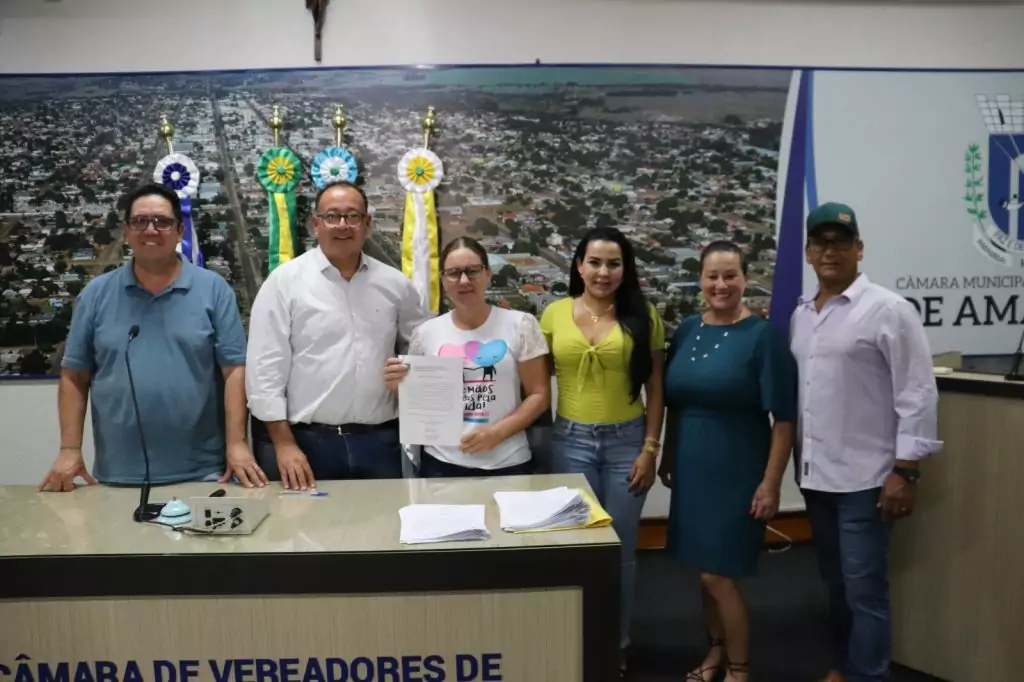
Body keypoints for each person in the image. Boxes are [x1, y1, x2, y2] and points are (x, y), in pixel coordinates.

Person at [791, 203, 941, 682]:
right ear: (809, 252)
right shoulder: (801, 314)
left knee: (864, 592)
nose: (829, 251)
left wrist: (906, 471)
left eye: (840, 241)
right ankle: (845, 666)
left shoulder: (888, 309)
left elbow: (917, 392)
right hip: (817, 477)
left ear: (859, 249)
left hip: (868, 478)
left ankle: (868, 676)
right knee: (835, 587)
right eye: (821, 242)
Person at [39, 183, 260, 492]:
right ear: (127, 231)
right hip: (120, 472)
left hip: (205, 471)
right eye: (140, 221)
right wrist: (69, 450)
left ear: (180, 231)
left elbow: (235, 370)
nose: (151, 230)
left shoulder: (213, 289)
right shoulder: (96, 295)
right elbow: (75, 376)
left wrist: (237, 443)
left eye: (162, 222)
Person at [659, 240, 798, 682]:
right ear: (700, 279)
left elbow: (785, 417)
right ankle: (714, 653)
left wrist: (772, 482)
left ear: (745, 279)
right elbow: (675, 402)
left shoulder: (762, 336)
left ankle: (740, 669)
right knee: (703, 572)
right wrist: (666, 454)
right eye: (712, 276)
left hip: (738, 470)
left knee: (719, 574)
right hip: (692, 467)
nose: (721, 285)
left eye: (730, 276)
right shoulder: (686, 329)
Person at [245, 180, 429, 490]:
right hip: (307, 445)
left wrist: (410, 377)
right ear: (315, 224)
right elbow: (265, 370)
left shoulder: (396, 285)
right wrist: (284, 444)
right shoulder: (284, 283)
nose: (342, 225)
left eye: (352, 216)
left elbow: (422, 351)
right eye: (332, 216)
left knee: (381, 533)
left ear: (367, 223)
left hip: (381, 443)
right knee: (309, 536)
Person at [540, 226, 665, 675]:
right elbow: (532, 382)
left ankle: (616, 642)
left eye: (613, 263)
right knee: (575, 545)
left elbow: (655, 385)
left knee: (621, 548)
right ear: (578, 266)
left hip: (627, 443)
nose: (603, 271)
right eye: (594, 262)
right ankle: (576, 636)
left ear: (625, 268)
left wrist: (651, 448)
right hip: (570, 442)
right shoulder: (553, 314)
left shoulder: (642, 314)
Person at [383, 237, 550, 477]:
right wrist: (398, 386)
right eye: (453, 273)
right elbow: (423, 400)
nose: (463, 281)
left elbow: (539, 395)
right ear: (443, 279)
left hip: (507, 461)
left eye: (472, 271)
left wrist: (496, 434)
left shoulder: (521, 325)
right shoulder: (425, 334)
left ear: (488, 274)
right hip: (441, 463)